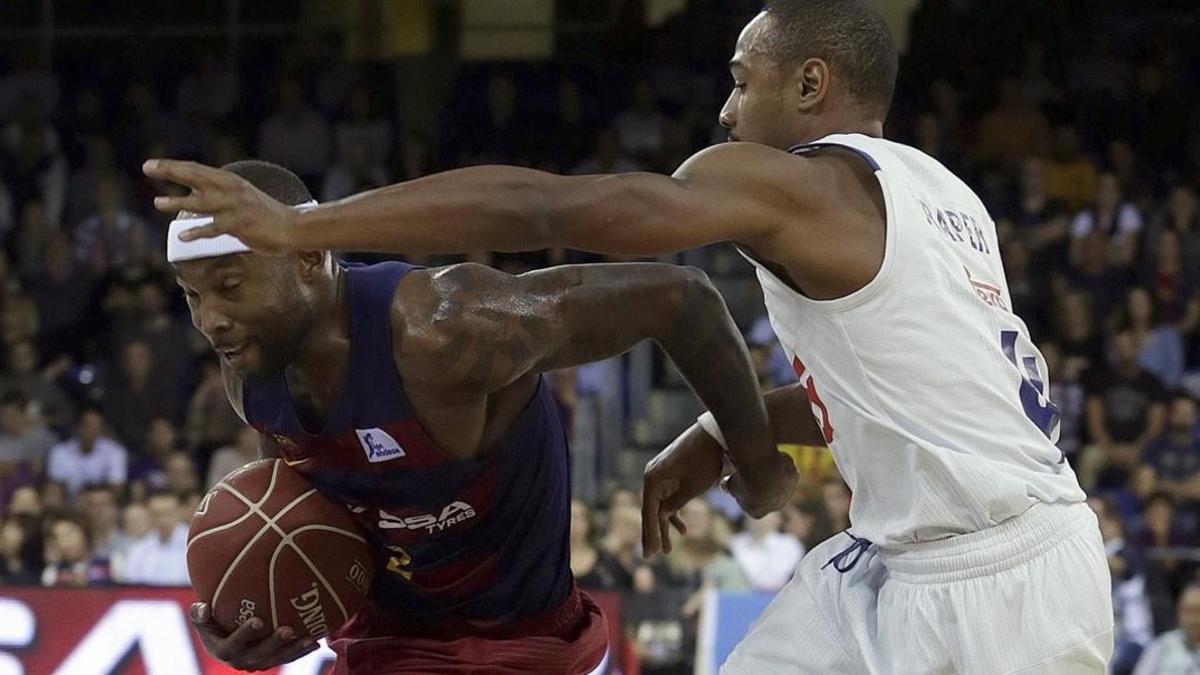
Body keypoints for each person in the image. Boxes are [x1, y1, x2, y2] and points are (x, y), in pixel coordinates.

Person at [146, 2, 1112, 671]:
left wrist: (303, 227)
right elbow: (923, 398)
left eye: (742, 82)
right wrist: (728, 433)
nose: (727, 109)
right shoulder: (942, 195)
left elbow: (550, 208)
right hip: (901, 558)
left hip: (1005, 580)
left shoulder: (798, 181)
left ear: (811, 83)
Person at [148, 160, 786, 673]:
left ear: (308, 257)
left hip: (526, 647)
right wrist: (272, 616)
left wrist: (753, 458)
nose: (210, 322)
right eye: (192, 296)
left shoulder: (441, 331)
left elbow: (681, 300)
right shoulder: (250, 368)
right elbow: (303, 519)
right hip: (386, 647)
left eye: (230, 287)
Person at [120, 490, 189, 586]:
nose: (163, 520)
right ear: (149, 515)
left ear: (180, 512)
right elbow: (131, 586)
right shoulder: (139, 549)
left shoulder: (193, 545)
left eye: (169, 514)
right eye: (157, 514)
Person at [1132, 583, 1200, 675]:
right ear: (1178, 613)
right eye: (1188, 611)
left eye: (1197, 611)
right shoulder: (1162, 644)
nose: (1193, 619)